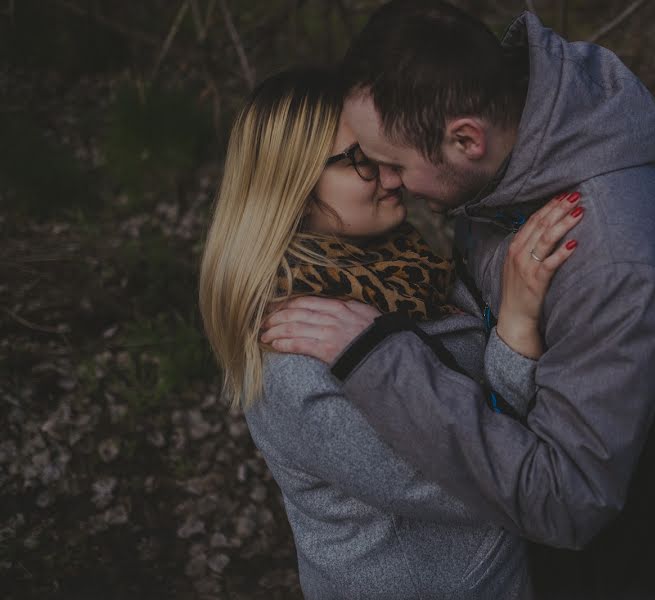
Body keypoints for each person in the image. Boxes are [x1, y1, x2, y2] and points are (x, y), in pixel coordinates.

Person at [264, 2, 655, 598]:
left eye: (392, 163)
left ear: (465, 138)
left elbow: (567, 501)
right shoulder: (505, 179)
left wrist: (379, 360)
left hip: (620, 572)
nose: (390, 182)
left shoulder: (612, 254)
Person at [197, 67, 584, 599]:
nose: (393, 174)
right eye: (361, 160)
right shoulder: (299, 358)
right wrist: (515, 327)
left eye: (383, 148)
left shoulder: (394, 265)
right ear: (295, 190)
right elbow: (483, 479)